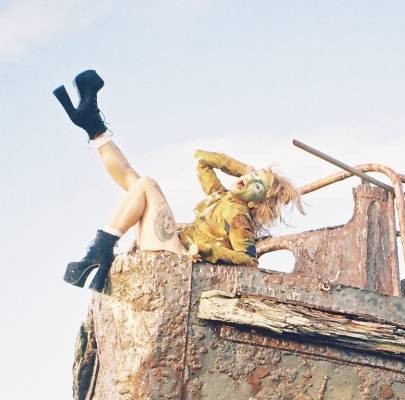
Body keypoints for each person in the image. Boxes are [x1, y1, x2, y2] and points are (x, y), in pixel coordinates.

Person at [53, 70, 303, 292]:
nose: (249, 181)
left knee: (146, 184)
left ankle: (100, 250)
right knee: (135, 181)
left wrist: (207, 251)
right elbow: (202, 159)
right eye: (252, 176)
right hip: (173, 246)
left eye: (257, 185)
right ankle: (94, 127)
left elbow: (248, 260)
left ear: (257, 203)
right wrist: (244, 168)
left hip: (178, 258)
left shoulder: (239, 216)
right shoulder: (220, 195)